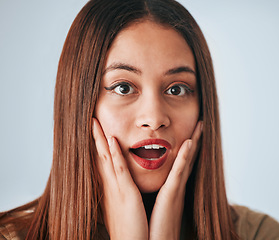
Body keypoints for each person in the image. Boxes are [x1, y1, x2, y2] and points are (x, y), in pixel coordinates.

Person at [0, 0, 279, 239]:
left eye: (177, 89)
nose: (154, 118)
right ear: (80, 104)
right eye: (123, 87)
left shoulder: (260, 234)